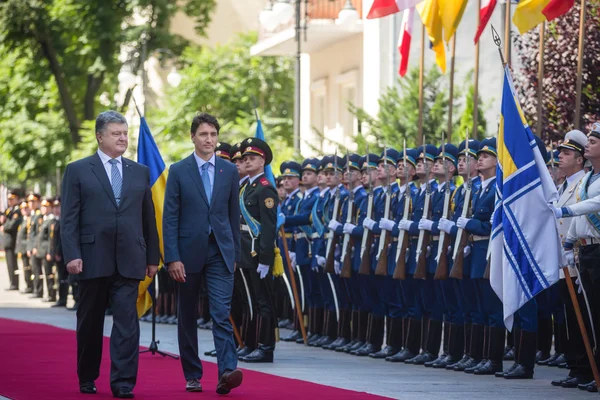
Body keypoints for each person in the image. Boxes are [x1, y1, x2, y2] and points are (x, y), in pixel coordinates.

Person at [60, 110, 160, 398]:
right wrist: (72, 254)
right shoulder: (78, 169)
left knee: (127, 323)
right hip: (91, 258)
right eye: (116, 133)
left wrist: (152, 257)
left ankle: (123, 382)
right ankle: (87, 376)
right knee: (90, 321)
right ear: (99, 136)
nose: (123, 138)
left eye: (125, 133)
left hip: (130, 258)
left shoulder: (139, 171)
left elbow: (148, 218)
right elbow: (70, 218)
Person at [163, 112, 243, 394]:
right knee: (187, 315)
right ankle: (193, 374)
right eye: (203, 134)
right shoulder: (178, 170)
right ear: (193, 137)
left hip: (221, 252)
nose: (209, 140)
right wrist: (172, 257)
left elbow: (234, 216)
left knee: (221, 312)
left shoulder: (229, 171)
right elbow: (170, 217)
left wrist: (235, 254)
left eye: (213, 134)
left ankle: (226, 373)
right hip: (186, 255)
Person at [237, 137, 279, 363]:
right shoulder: (246, 187)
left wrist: (265, 259)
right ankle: (251, 343)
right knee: (250, 299)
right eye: (245, 158)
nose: (247, 161)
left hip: (256, 254)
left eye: (252, 158)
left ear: (262, 161)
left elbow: (269, 227)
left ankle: (266, 347)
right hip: (244, 250)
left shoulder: (265, 189)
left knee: (263, 301)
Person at [2, 191, 22, 291]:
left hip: (12, 241)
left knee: (13, 264)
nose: (10, 201)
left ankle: (14, 283)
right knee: (10, 264)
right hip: (8, 241)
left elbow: (12, 225)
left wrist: (4, 227)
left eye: (12, 199)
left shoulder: (17, 211)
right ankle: (12, 282)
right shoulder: (9, 210)